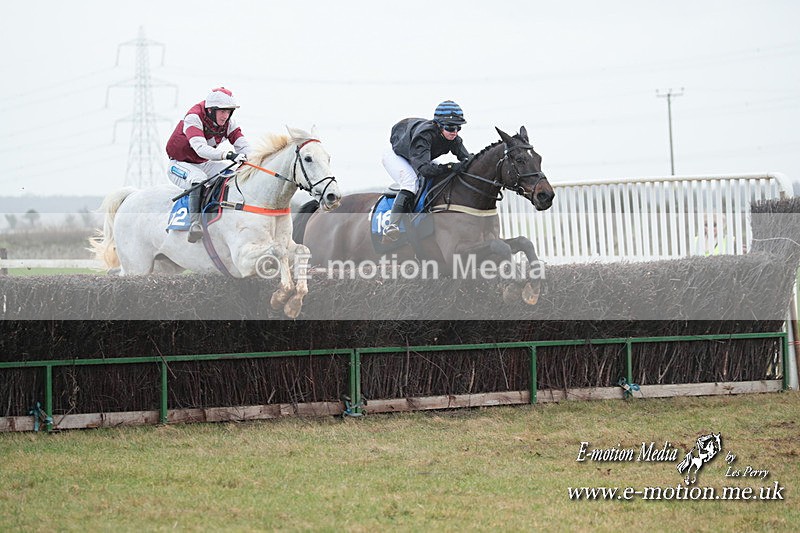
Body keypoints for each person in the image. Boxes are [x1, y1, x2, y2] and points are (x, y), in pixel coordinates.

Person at [166, 87, 251, 243]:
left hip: (204, 163)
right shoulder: (193, 117)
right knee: (198, 178)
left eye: (228, 112)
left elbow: (243, 145)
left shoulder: (229, 123)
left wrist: (254, 160)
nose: (225, 116)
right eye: (222, 112)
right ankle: (195, 224)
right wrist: (227, 154)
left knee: (232, 175)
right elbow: (200, 149)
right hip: (179, 163)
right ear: (211, 110)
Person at [381, 100, 471, 242]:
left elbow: (467, 159)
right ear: (439, 125)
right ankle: (393, 225)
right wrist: (450, 167)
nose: (454, 132)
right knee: (411, 182)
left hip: (418, 156)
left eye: (458, 128)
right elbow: (425, 170)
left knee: (439, 175)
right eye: (450, 127)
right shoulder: (425, 135)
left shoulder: (453, 138)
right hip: (397, 155)